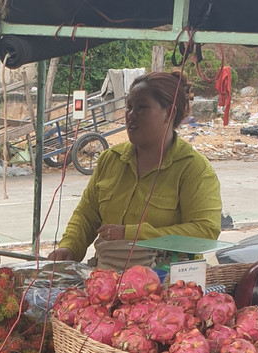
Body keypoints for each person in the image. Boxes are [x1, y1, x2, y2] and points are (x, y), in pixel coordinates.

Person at [47, 71, 222, 270]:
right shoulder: (110, 160)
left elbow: (205, 230)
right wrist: (69, 247)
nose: (131, 115)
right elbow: (86, 216)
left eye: (142, 108)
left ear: (170, 113)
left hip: (167, 287)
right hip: (106, 283)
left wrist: (134, 233)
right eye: (129, 107)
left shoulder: (193, 169)